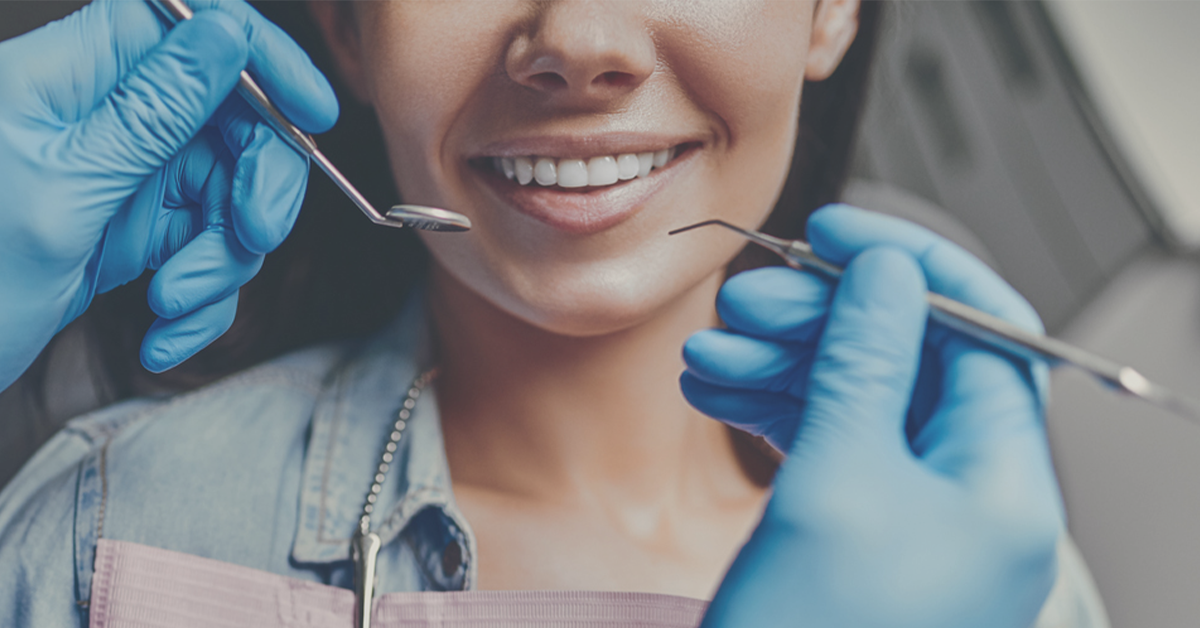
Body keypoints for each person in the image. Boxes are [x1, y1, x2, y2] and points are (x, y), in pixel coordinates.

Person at [0, 1, 1102, 627]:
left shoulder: (995, 586)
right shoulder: (107, 532)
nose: (578, 39)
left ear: (831, 10)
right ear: (346, 22)